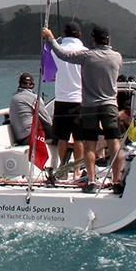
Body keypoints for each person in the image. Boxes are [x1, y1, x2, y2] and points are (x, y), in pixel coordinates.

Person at [43, 24, 125, 193]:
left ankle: (91, 181)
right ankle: (116, 181)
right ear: (108, 39)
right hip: (109, 105)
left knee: (88, 145)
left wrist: (50, 38)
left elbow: (62, 54)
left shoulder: (87, 56)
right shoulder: (117, 57)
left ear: (94, 38)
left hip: (88, 106)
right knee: (114, 143)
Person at [50, 22, 87, 174]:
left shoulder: (55, 51)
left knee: (62, 138)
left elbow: (50, 74)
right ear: (79, 34)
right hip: (79, 100)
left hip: (61, 100)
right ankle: (77, 169)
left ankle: (63, 170)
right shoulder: (85, 52)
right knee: (79, 138)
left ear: (65, 34)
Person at [8, 72, 53, 145]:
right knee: (61, 134)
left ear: (20, 84)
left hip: (19, 138)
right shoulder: (34, 98)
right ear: (31, 85)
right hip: (31, 137)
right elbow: (48, 121)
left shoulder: (14, 97)